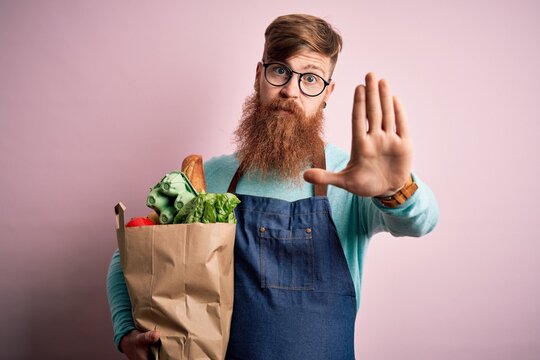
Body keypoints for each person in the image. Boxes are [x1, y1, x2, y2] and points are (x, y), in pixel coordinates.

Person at [107, 13, 438, 360]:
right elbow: (133, 254)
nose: (290, 90)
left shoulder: (352, 176)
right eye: (279, 69)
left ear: (328, 93)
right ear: (258, 76)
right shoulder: (211, 177)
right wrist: (126, 331)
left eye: (310, 78)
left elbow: (422, 222)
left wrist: (394, 189)